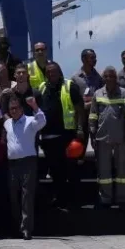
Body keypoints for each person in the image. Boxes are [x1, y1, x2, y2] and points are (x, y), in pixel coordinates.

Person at [37, 61, 86, 209]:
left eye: (54, 71)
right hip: (48, 138)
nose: (51, 74)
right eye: (49, 72)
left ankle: (74, 201)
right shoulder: (42, 88)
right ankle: (59, 200)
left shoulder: (70, 86)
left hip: (66, 136)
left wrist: (79, 129)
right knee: (55, 171)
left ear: (60, 72)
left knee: (70, 170)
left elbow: (80, 109)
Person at [4, 95, 46, 239]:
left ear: (21, 108)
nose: (13, 111)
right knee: (13, 196)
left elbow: (42, 121)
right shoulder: (7, 123)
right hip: (12, 164)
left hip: (28, 162)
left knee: (27, 196)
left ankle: (26, 228)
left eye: (16, 108)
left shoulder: (30, 121)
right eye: (11, 109)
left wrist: (34, 106)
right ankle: (16, 226)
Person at [90, 66, 125, 208]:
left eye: (112, 76)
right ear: (103, 78)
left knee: (123, 171)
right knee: (104, 171)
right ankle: (106, 198)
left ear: (116, 78)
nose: (109, 79)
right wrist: (92, 133)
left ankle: (123, 199)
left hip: (120, 138)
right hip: (102, 138)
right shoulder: (97, 94)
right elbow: (93, 115)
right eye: (106, 76)